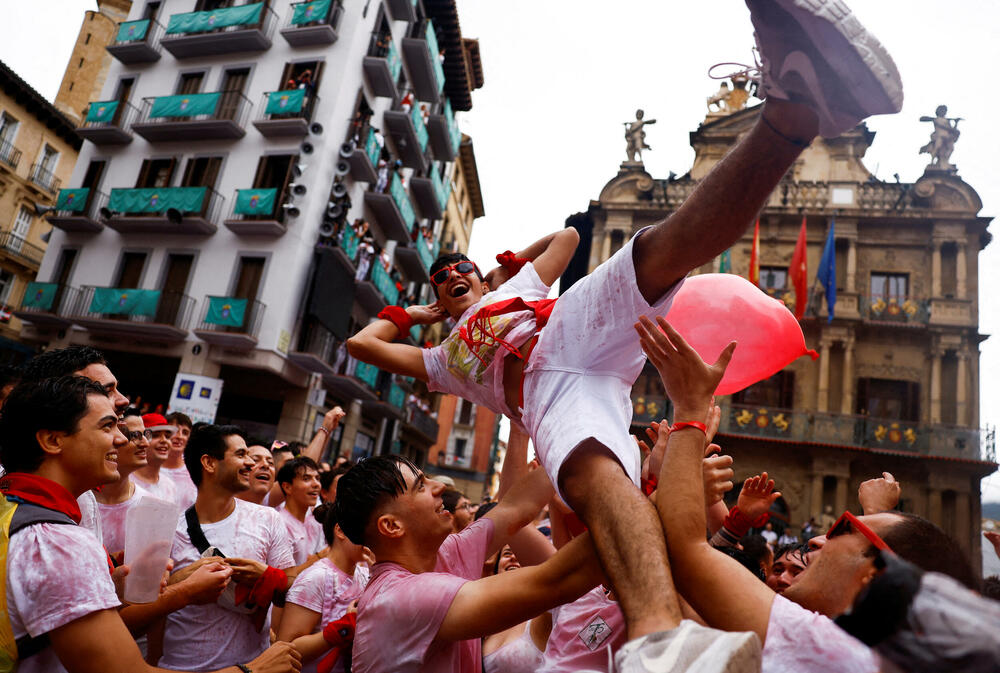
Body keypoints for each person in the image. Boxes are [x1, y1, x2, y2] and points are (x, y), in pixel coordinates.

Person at [347, 0, 906, 652]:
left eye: (463, 270)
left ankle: (795, 113)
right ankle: (658, 634)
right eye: (448, 280)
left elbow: (563, 239)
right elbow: (363, 345)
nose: (459, 278)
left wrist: (505, 268)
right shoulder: (444, 356)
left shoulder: (519, 287)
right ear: (439, 298)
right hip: (548, 390)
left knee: (659, 251)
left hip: (572, 330)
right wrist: (417, 315)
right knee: (596, 474)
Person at [635, 314, 978, 673]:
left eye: (842, 528)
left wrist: (690, 411)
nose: (813, 542)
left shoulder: (831, 649)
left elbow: (684, 548)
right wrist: (877, 522)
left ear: (876, 579)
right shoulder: (878, 653)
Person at [0, 376, 300, 673]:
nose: (121, 439)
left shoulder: (13, 508)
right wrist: (256, 670)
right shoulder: (59, 542)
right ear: (53, 440)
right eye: (107, 426)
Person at [157, 424, 298, 671]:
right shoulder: (168, 530)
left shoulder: (267, 519)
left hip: (255, 665)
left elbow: (293, 588)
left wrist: (267, 577)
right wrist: (183, 583)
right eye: (241, 455)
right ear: (209, 463)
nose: (251, 465)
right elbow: (150, 612)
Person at [277, 504, 372, 673]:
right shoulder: (316, 578)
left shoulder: (365, 574)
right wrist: (341, 629)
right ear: (340, 531)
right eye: (365, 528)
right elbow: (285, 650)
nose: (371, 538)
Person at [94, 408, 152, 558]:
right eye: (134, 436)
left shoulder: (149, 505)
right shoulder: (80, 500)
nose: (145, 443)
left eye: (145, 435)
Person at [277, 456, 325, 565]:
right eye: (306, 479)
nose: (316, 484)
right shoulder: (282, 525)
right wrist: (321, 556)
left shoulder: (304, 522)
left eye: (317, 478)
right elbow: (284, 576)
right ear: (287, 487)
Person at [130, 412, 178, 504]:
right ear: (142, 441)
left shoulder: (170, 486)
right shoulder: (126, 481)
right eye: (155, 435)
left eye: (167, 436)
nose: (164, 440)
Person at [163, 411, 197, 510]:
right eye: (174, 431)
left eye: (185, 433)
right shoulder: (146, 465)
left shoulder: (195, 472)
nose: (179, 436)